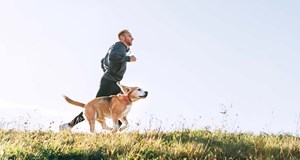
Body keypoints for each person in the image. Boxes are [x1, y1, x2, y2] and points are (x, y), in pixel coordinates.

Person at [59, 29, 136, 131]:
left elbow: (103, 61)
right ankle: (68, 126)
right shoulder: (120, 46)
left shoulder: (116, 47)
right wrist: (128, 59)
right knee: (92, 107)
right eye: (129, 36)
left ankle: (112, 133)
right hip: (110, 82)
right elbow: (113, 57)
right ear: (122, 37)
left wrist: (107, 71)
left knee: (122, 106)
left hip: (112, 81)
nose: (132, 38)